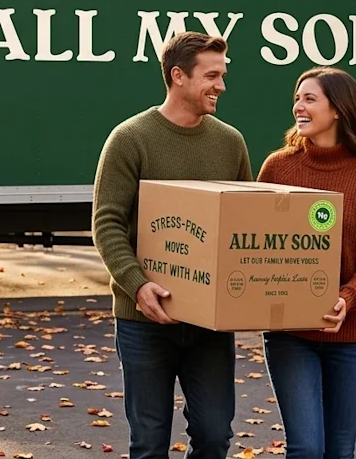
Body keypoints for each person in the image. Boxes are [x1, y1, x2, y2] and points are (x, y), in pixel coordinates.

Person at [92, 31, 253, 459]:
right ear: (178, 76)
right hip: (144, 319)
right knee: (149, 443)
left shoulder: (230, 143)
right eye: (211, 76)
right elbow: (107, 224)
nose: (221, 85)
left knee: (214, 436)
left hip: (209, 326)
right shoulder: (130, 138)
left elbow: (244, 227)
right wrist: (138, 286)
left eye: (222, 75)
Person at [256, 67, 356, 459]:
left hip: (352, 333)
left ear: (338, 109)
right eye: (297, 98)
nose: (298, 107)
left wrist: (347, 299)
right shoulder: (277, 168)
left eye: (309, 99)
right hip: (290, 332)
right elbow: (256, 244)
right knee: (305, 448)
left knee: (338, 450)